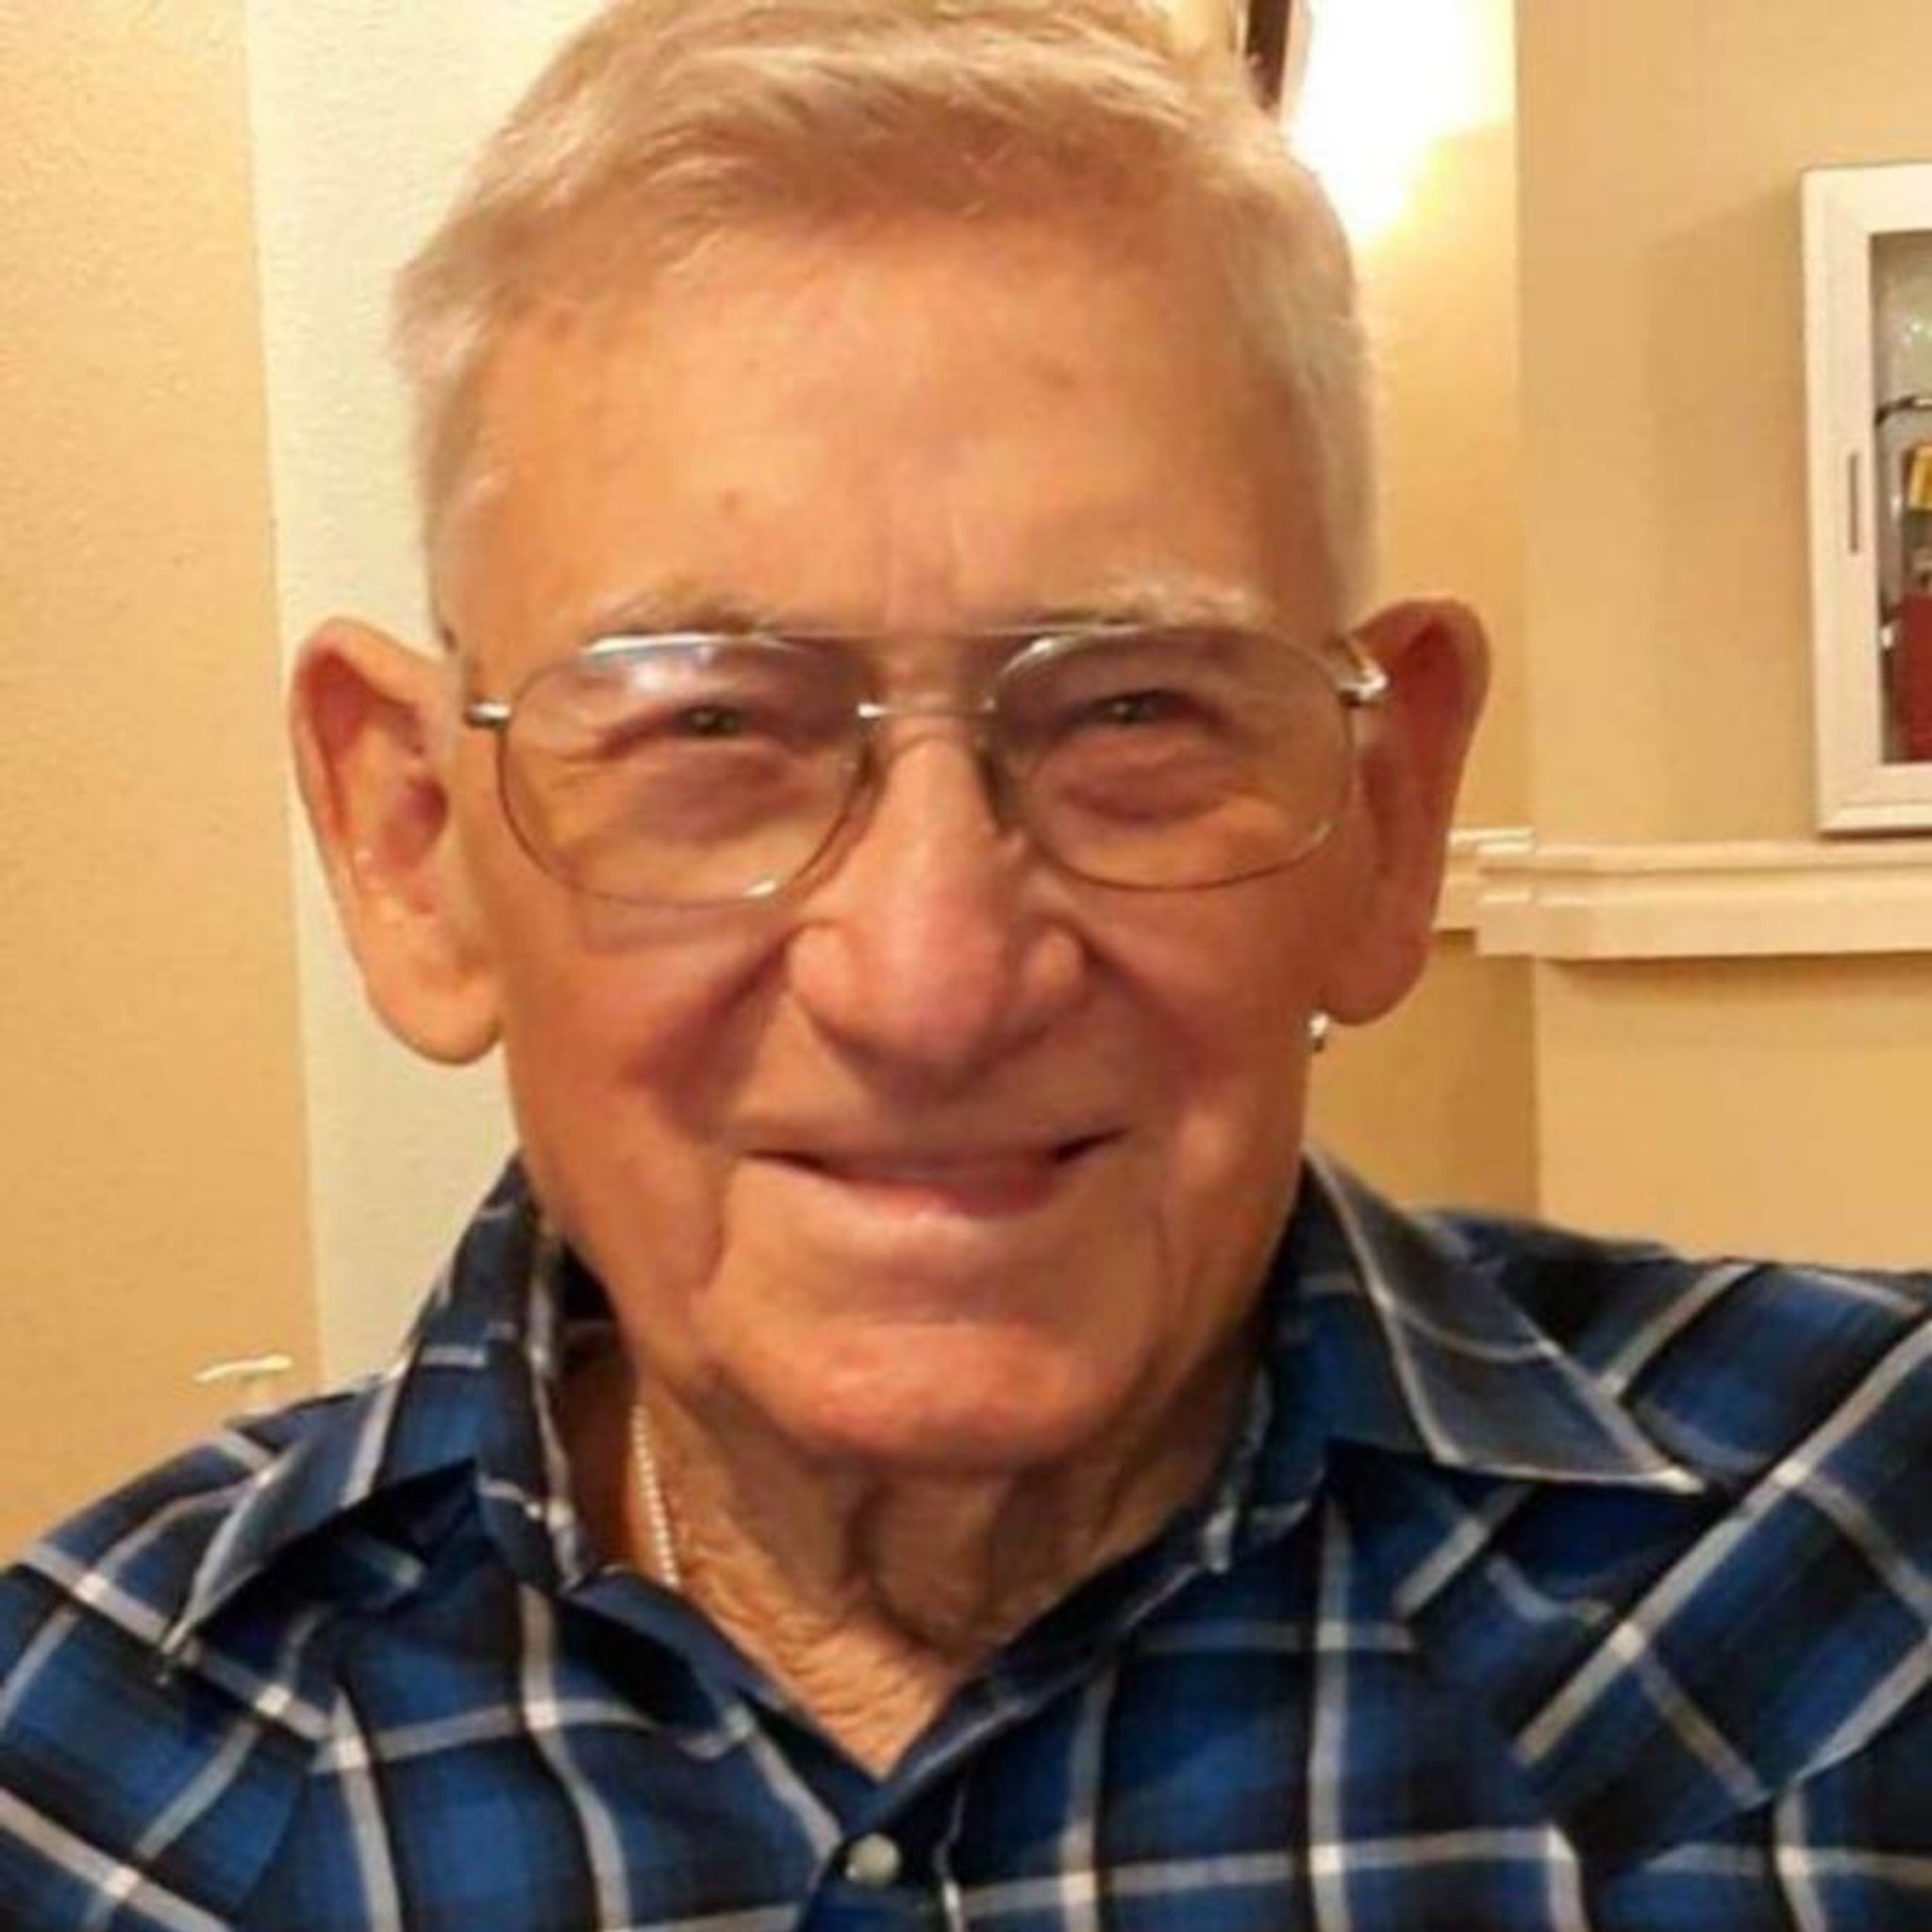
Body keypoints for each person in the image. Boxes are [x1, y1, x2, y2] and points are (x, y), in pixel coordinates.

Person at [3, 2, 1927, 1925]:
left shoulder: (1872, 1580)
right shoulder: (90, 1795)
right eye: (705, 727)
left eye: (1134, 712)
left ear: (1385, 807)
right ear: (413, 848)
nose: (931, 985)